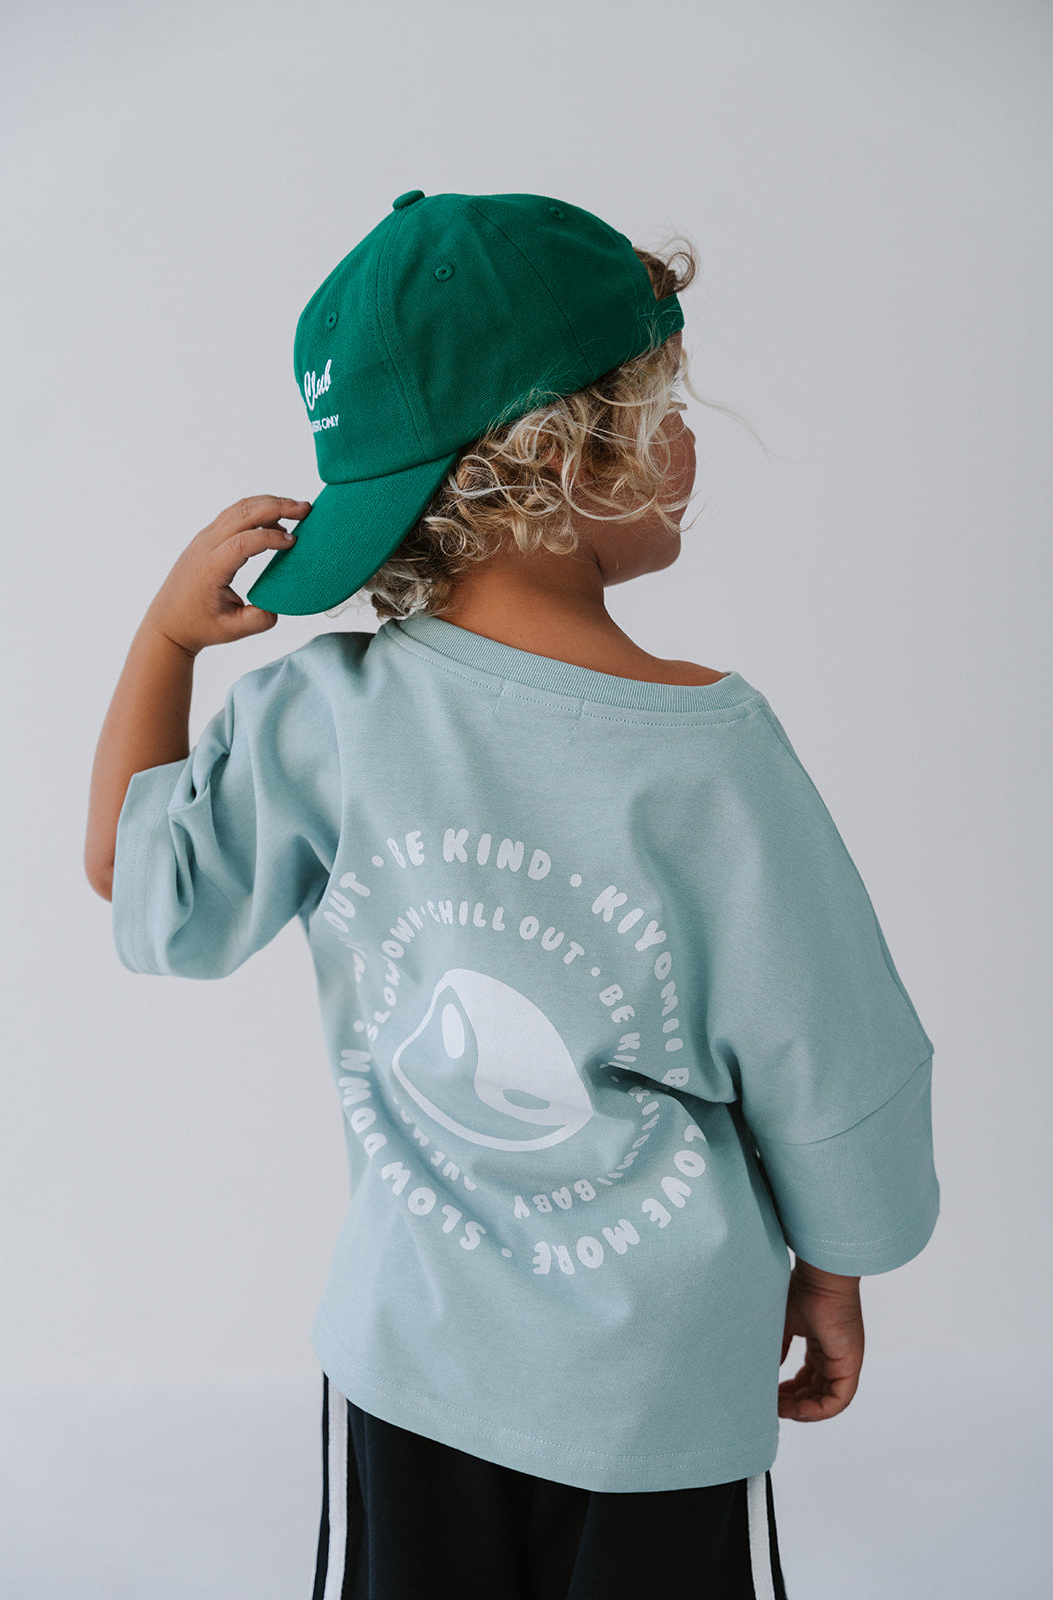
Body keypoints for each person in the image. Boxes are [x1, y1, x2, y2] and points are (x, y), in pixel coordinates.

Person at [85, 190, 939, 1600]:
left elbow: (147, 882)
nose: (687, 445)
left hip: (410, 1353)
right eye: (665, 410)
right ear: (568, 457)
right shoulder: (714, 753)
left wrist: (166, 642)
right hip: (659, 1376)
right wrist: (840, 1263)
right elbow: (831, 1057)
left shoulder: (325, 715)